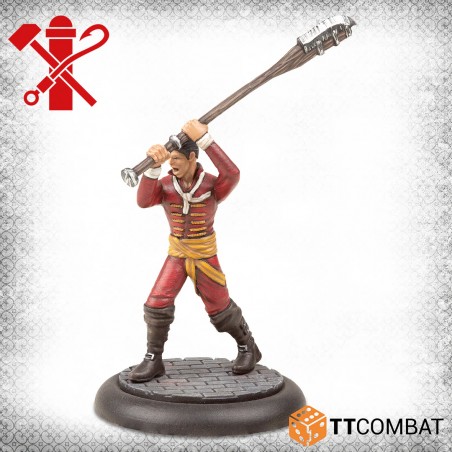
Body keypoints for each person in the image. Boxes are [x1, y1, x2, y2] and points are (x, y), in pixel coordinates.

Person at [128, 119, 261, 382]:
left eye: (177, 159)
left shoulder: (212, 185)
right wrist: (153, 169)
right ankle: (153, 358)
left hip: (204, 254)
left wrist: (205, 140)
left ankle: (248, 346)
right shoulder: (166, 185)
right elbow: (143, 201)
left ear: (192, 158)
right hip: (177, 254)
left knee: (220, 308)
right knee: (156, 304)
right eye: (170, 160)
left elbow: (232, 174)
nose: (173, 164)